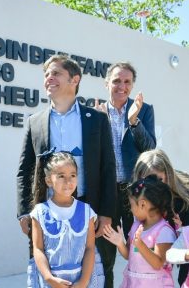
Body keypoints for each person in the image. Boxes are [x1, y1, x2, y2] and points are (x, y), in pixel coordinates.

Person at [17, 55, 117, 287]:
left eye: (55, 73)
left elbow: (107, 168)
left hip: (88, 209)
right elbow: (25, 169)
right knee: (49, 274)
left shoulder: (97, 120)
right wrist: (24, 212)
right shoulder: (35, 121)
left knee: (97, 273)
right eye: (46, 75)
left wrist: (106, 212)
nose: (48, 79)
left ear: (75, 79)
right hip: (47, 212)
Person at [95, 62, 156, 237]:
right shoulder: (96, 113)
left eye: (127, 82)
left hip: (136, 190)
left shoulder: (144, 110)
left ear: (132, 85)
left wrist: (134, 121)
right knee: (105, 248)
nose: (122, 86)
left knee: (138, 245)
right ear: (107, 84)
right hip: (106, 191)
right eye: (116, 81)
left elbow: (149, 148)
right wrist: (100, 124)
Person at [28, 150, 104, 287]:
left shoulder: (87, 211)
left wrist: (83, 281)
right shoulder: (39, 213)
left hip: (80, 281)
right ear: (48, 180)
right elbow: (38, 249)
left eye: (73, 175)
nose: (68, 181)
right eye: (61, 176)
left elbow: (90, 248)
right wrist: (49, 278)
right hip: (51, 283)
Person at [132, 149, 189, 285]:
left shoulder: (185, 199)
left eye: (159, 179)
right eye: (147, 180)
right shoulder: (136, 200)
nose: (154, 185)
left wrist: (181, 230)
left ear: (168, 176)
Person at [103, 175, 177, 287]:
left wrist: (140, 244)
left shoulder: (164, 231)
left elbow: (158, 263)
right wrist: (120, 243)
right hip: (134, 283)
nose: (131, 209)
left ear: (142, 204)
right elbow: (129, 255)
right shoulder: (136, 226)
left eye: (132, 205)